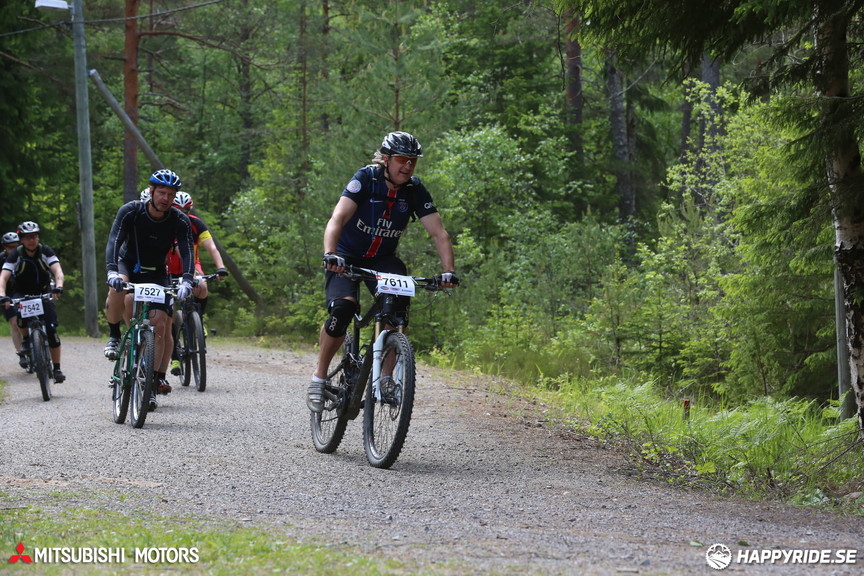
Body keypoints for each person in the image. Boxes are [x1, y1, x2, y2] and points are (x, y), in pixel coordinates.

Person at [307, 131, 459, 412]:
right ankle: (319, 378)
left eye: (413, 161)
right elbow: (337, 218)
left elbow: (439, 233)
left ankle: (386, 378)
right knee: (342, 308)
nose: (408, 166)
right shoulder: (366, 178)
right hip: (346, 255)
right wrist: (330, 253)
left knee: (396, 307)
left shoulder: (414, 189)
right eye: (402, 160)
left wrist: (448, 271)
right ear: (385, 159)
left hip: (383, 259)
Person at [104, 169, 196, 411]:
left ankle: (151, 381)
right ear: (152, 191)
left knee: (160, 324)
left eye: (170, 194)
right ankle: (114, 335)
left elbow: (187, 251)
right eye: (162, 192)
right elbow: (114, 240)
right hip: (128, 265)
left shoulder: (179, 219)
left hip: (157, 271)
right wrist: (112, 272)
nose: (165, 198)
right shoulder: (131, 211)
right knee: (117, 289)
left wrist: (187, 280)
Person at [165, 191, 228, 375]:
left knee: (202, 286)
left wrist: (221, 267)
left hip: (192, 265)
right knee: (167, 312)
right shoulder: (165, 224)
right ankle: (175, 358)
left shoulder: (196, 223)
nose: (183, 214)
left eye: (187, 210)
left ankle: (199, 319)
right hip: (168, 267)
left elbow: (212, 247)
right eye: (179, 210)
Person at [0, 222, 67, 382]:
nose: (32, 240)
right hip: (21, 292)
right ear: (22, 239)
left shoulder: (45, 250)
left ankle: (57, 369)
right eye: (28, 237)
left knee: (51, 331)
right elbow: (4, 276)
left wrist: (58, 286)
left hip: (43, 291)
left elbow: (57, 270)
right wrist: (2, 294)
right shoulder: (16, 254)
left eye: (35, 236)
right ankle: (26, 340)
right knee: (20, 322)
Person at [0, 232, 24, 366]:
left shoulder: (25, 255)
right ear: (5, 247)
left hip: (23, 292)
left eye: (16, 246)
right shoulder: (1, 259)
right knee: (15, 323)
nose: (13, 250)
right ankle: (21, 353)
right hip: (7, 294)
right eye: (10, 247)